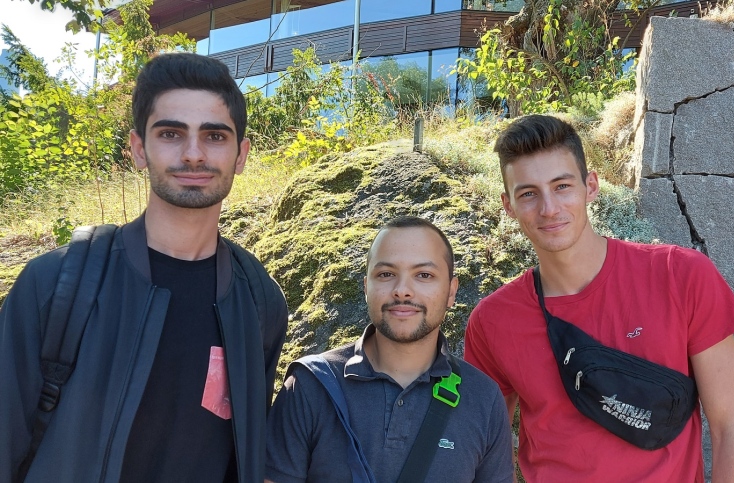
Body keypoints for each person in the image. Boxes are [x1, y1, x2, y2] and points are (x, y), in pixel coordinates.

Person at [0, 53, 288, 482]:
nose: (193, 155)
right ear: (139, 149)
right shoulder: (55, 285)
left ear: (241, 154)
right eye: (171, 133)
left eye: (214, 136)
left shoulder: (258, 301)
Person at [464, 114, 734, 482]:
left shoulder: (680, 276)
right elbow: (482, 448)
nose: (549, 208)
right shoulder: (493, 322)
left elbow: (732, 425)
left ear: (591, 186)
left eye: (562, 186)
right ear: (508, 206)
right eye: (528, 194)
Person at [265, 216, 514, 483]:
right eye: (386, 274)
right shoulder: (310, 385)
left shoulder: (483, 398)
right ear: (366, 288)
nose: (402, 291)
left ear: (451, 291)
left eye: (424, 275)